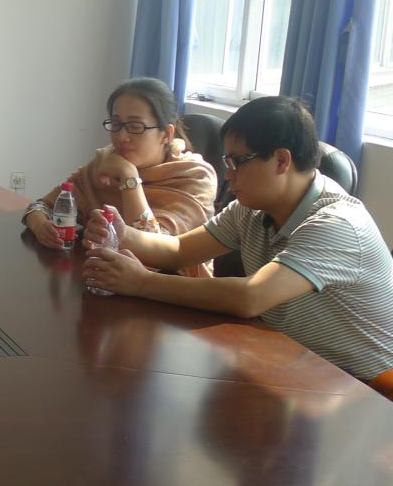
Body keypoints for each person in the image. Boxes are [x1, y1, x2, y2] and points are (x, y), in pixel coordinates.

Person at [82, 95, 393, 397]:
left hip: (367, 389)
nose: (228, 176)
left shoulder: (337, 224)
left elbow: (251, 297)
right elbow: (179, 250)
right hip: (296, 366)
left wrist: (141, 282)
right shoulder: (252, 208)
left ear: (281, 160)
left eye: (236, 162)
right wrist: (123, 234)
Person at [22, 77, 217, 276]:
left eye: (135, 126)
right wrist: (41, 226)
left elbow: (154, 252)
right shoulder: (104, 164)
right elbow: (40, 206)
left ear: (166, 134)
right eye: (116, 124)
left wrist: (128, 177)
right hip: (104, 279)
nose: (121, 137)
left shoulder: (196, 178)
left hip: (172, 287)